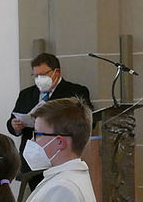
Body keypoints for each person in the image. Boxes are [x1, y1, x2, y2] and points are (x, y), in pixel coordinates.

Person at [6, 52, 91, 186]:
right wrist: (14, 125)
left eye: (43, 74)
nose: (39, 78)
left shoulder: (74, 91)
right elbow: (12, 120)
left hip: (60, 154)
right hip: (33, 158)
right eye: (36, 75)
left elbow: (85, 121)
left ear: (56, 72)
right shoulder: (26, 94)